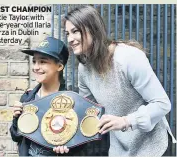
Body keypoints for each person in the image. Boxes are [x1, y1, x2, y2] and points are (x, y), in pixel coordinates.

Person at [62, 5, 177, 157]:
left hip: (154, 148)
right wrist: (64, 140)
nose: (70, 39)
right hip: (119, 151)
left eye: (75, 31)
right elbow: (86, 112)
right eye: (67, 33)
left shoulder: (128, 57)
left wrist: (125, 121)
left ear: (93, 29)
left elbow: (162, 104)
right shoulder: (84, 69)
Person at [10, 37, 76, 156]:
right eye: (34, 61)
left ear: (59, 66)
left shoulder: (72, 102)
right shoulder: (27, 98)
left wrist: (67, 150)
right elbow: (16, 137)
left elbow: (79, 145)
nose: (36, 67)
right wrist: (16, 119)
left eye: (43, 62)